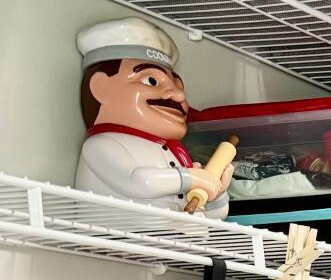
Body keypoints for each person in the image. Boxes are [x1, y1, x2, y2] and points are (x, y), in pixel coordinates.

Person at [74, 17, 231, 215]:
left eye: (178, 86)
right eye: (151, 80)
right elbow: (140, 181)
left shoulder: (174, 153)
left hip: (180, 242)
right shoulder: (101, 145)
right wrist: (192, 177)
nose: (179, 95)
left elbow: (215, 218)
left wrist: (216, 193)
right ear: (101, 88)